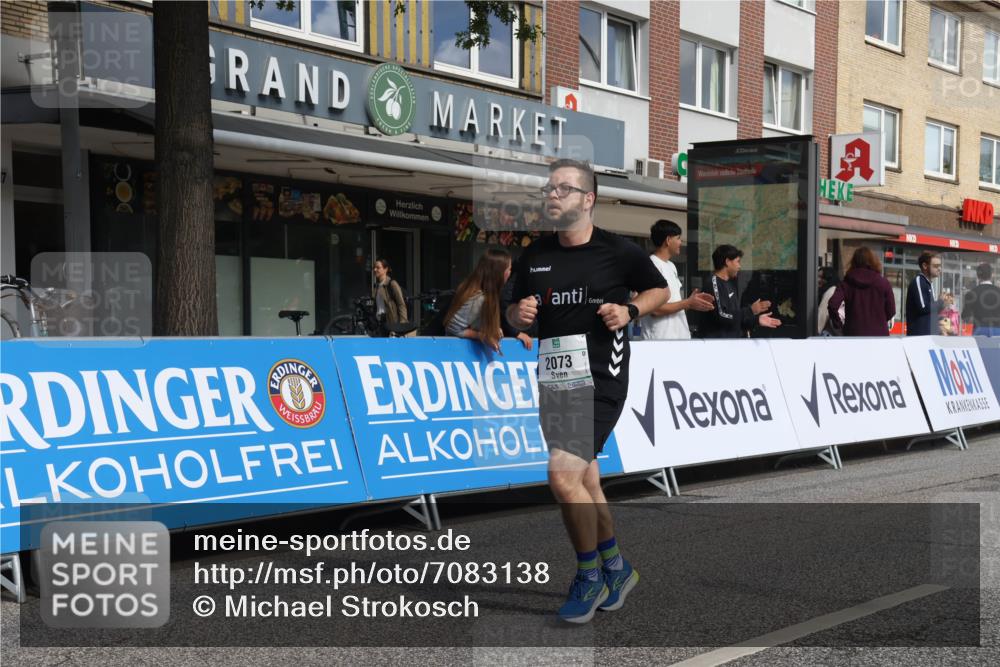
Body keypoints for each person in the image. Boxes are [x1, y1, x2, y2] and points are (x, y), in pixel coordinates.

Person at [507, 158, 668, 623]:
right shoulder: (533, 256)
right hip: (557, 381)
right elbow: (510, 310)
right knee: (586, 480)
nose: (552, 195)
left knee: (561, 476)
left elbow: (656, 290)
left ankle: (588, 575)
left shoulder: (618, 252)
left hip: (602, 379)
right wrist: (517, 316)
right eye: (549, 189)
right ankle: (616, 567)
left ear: (588, 199)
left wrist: (630, 311)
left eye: (564, 189)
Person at [445, 248, 532, 352]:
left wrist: (494, 330)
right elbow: (453, 328)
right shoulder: (477, 297)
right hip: (457, 353)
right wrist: (482, 335)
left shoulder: (487, 293)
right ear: (499, 273)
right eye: (509, 269)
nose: (510, 273)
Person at [640, 220, 714, 340]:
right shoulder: (651, 265)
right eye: (678, 238)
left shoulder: (671, 266)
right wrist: (687, 303)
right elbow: (654, 309)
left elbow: (675, 302)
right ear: (668, 240)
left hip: (679, 339)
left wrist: (691, 302)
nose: (681, 242)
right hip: (659, 342)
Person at [697, 244, 780, 338]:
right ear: (727, 262)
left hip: (733, 344)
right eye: (737, 262)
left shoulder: (730, 284)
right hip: (717, 347)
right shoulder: (713, 283)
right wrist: (750, 310)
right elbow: (722, 315)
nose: (739, 266)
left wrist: (756, 320)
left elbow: (735, 316)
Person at [827, 246, 895, 336]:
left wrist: (838, 324)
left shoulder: (846, 283)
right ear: (873, 261)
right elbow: (891, 311)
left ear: (854, 262)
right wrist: (879, 320)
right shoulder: (883, 283)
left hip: (853, 336)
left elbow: (832, 304)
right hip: (879, 337)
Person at [905, 250, 942, 336]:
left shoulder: (928, 283)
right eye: (936, 266)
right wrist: (940, 302)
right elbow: (924, 307)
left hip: (928, 335)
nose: (939, 269)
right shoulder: (919, 281)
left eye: (940, 266)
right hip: (919, 336)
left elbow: (931, 311)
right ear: (925, 266)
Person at [962, 262, 1000, 336]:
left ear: (978, 276)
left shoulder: (971, 293)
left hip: (979, 330)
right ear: (991, 275)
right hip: (998, 329)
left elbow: (966, 316)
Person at [372, 258, 408, 333]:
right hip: (379, 325)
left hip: (391, 325)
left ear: (385, 269)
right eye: (374, 267)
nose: (375, 270)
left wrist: (402, 326)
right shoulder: (376, 287)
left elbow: (401, 304)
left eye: (378, 267)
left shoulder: (392, 284)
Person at [817, 266, 844, 335]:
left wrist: (814, 333)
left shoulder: (830, 292)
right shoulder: (838, 290)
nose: (818, 280)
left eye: (821, 277)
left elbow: (822, 316)